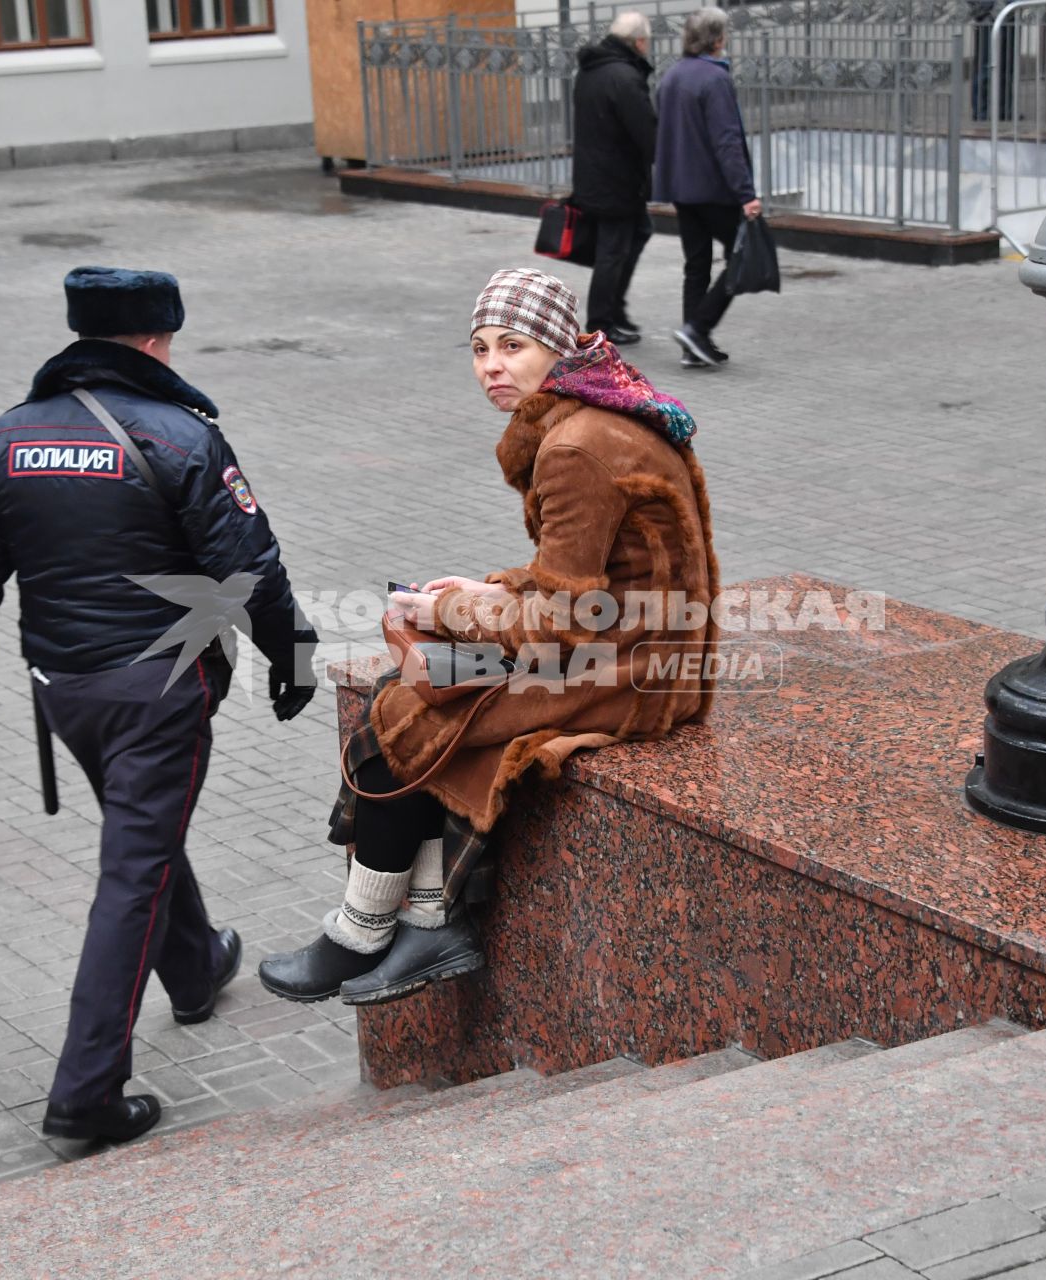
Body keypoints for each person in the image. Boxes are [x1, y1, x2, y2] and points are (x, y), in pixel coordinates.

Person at [256, 267, 718, 1007]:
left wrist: (447, 615)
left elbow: (565, 621)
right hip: (647, 649)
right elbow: (592, 576)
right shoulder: (604, 407)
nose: (491, 365)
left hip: (630, 676)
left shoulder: (574, 447)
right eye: (478, 348)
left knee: (407, 714)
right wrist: (489, 591)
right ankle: (426, 919)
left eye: (513, 344)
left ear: (558, 347)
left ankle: (365, 929)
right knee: (416, 694)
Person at [0, 266, 318, 1145]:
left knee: (140, 833)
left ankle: (195, 968)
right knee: (132, 871)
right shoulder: (182, 436)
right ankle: (86, 1094)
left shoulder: (7, 438)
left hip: (63, 690)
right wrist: (291, 659)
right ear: (154, 338)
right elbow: (247, 561)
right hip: (160, 693)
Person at [653, 7, 762, 369]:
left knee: (696, 264)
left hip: (681, 188)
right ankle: (698, 328)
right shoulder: (714, 80)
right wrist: (746, 193)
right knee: (740, 256)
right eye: (724, 35)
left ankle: (692, 345)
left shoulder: (672, 76)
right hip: (713, 189)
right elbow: (727, 142)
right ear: (717, 40)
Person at [572, 11, 659, 345]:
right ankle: (601, 324)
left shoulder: (591, 71)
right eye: (646, 42)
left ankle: (614, 312)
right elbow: (646, 132)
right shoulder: (624, 77)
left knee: (637, 233)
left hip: (597, 176)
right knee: (612, 251)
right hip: (616, 181)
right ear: (638, 42)